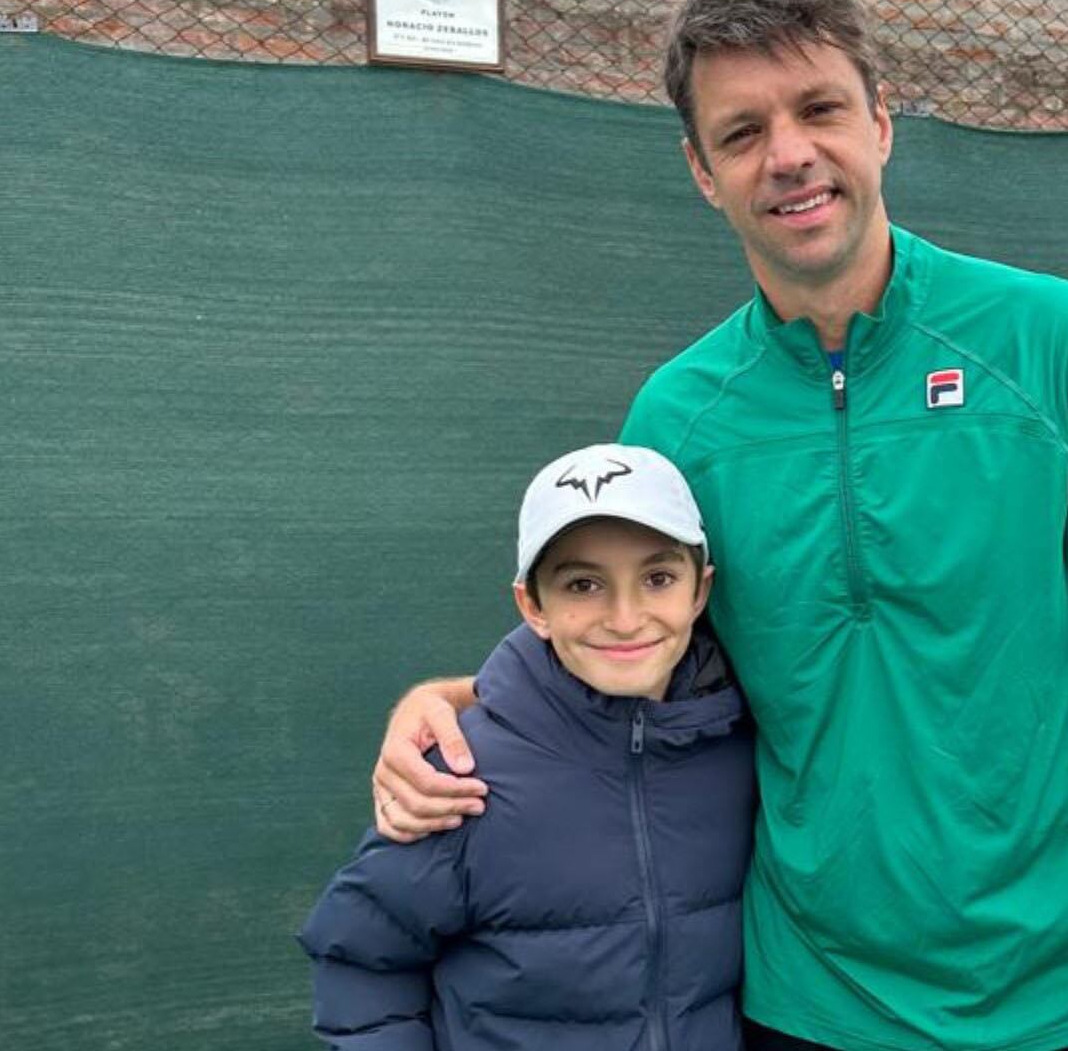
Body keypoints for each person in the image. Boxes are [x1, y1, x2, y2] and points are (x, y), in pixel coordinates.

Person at [370, 0, 1068, 1048]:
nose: (787, 154)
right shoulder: (676, 417)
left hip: (1063, 1001)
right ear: (702, 171)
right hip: (802, 1004)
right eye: (742, 131)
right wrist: (447, 703)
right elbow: (635, 652)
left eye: (819, 109)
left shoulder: (1061, 345)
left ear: (880, 119)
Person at [300, 444, 757, 1050]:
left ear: (699, 593)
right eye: (583, 584)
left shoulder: (744, 749)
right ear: (532, 605)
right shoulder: (459, 776)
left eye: (657, 578)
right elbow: (360, 959)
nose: (624, 618)